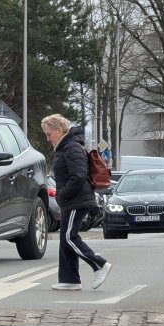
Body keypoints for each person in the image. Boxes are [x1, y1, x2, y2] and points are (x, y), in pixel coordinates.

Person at [40, 114, 112, 291]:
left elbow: (78, 176)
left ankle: (99, 265)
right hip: (71, 201)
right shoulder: (66, 147)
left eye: (49, 134)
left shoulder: (71, 147)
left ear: (59, 130)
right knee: (66, 240)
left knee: (68, 237)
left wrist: (63, 195)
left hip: (76, 200)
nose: (47, 138)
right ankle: (69, 279)